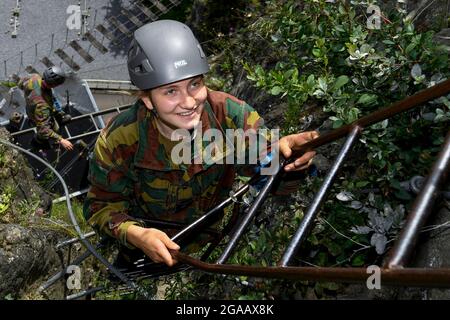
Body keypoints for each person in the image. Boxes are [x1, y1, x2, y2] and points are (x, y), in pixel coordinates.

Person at [84, 20, 319, 267]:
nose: (188, 102)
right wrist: (136, 234)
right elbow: (100, 206)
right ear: (148, 100)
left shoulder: (229, 117)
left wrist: (289, 160)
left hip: (209, 240)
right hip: (147, 248)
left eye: (195, 84)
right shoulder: (121, 139)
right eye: (170, 91)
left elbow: (272, 181)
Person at [18, 66, 73, 151]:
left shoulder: (34, 77)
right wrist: (61, 140)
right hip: (37, 115)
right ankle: (37, 141)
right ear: (55, 85)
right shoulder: (42, 106)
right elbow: (43, 129)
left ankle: (58, 118)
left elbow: (20, 84)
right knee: (54, 129)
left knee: (63, 117)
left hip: (32, 107)